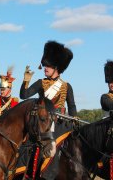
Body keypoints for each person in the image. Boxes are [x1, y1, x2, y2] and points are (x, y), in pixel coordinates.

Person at [18, 40, 77, 179]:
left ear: (56, 67)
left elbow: (72, 106)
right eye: (45, 65)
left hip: (61, 124)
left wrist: (75, 120)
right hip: (44, 123)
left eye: (48, 66)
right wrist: (25, 80)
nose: (45, 68)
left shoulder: (66, 86)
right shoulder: (41, 83)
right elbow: (23, 95)